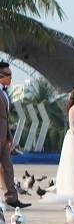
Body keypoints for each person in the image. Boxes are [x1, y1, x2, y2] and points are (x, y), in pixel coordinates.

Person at [0, 62, 29, 208]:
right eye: (8, 75)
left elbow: (5, 117)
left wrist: (9, 136)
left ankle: (11, 199)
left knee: (7, 167)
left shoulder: (4, 93)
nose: (11, 78)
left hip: (4, 137)